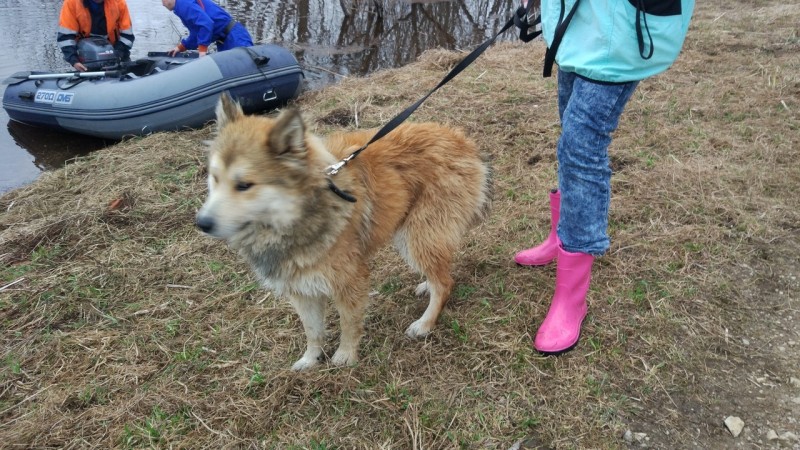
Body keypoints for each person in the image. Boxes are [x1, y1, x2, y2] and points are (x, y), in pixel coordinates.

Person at [514, 0, 695, 354]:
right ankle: (560, 236)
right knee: (570, 129)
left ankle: (571, 297)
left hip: (623, 29)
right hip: (578, 24)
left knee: (581, 145)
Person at [57, 0, 135, 71]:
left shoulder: (119, 2)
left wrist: (118, 53)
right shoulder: (71, 3)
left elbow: (127, 35)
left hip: (118, 53)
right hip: (85, 58)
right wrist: (74, 61)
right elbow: (66, 37)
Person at [162, 0, 253, 57]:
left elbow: (206, 24)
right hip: (224, 40)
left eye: (163, 0)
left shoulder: (183, 3)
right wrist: (182, 47)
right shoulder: (182, 6)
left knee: (246, 65)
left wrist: (202, 51)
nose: (162, 4)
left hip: (235, 37)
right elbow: (197, 33)